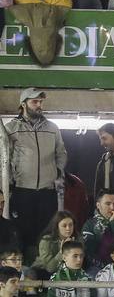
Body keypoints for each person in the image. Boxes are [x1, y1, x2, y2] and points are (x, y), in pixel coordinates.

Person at [4, 88, 65, 251]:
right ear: (23, 104)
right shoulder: (10, 128)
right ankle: (23, 270)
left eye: (41, 102)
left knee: (47, 235)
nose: (39, 105)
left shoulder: (52, 128)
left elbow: (61, 153)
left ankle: (44, 270)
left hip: (47, 192)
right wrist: (10, 182)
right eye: (34, 102)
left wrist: (57, 173)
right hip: (22, 191)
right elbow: (4, 159)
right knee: (22, 233)